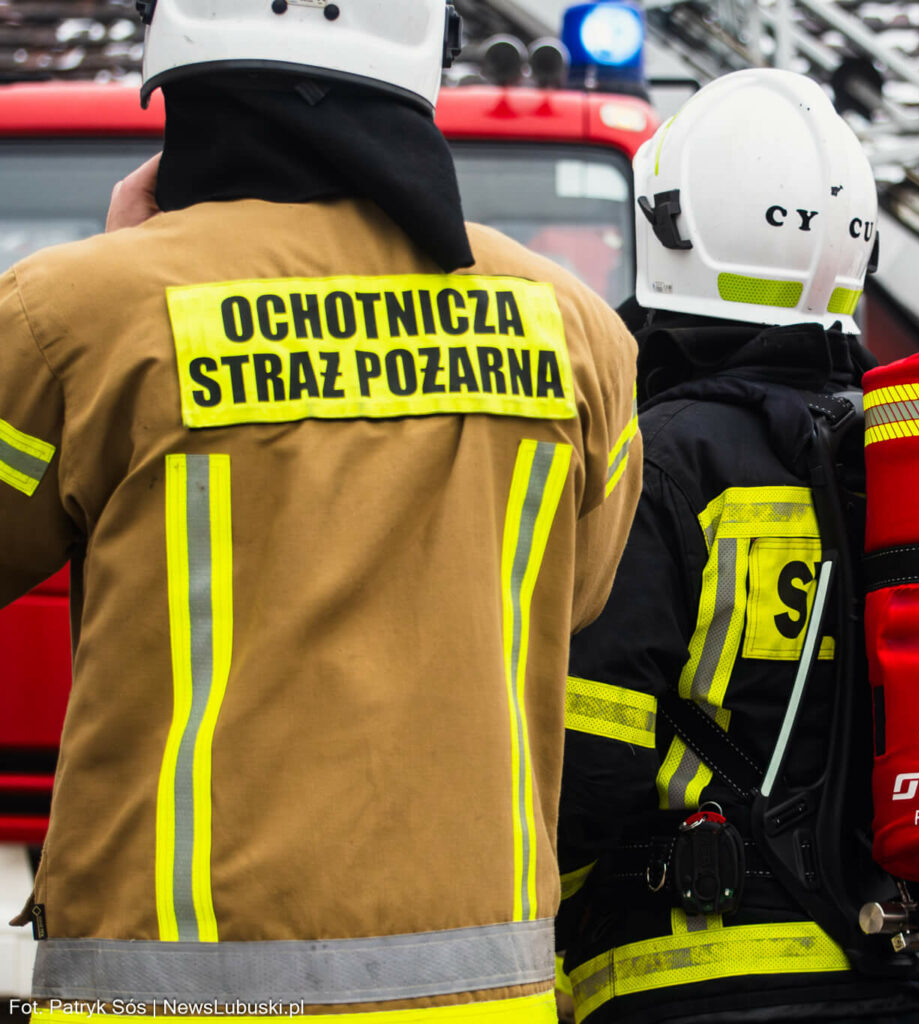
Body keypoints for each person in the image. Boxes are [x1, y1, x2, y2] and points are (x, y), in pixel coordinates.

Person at [0, 0, 640, 1017]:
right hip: (480, 994)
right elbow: (579, 593)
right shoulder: (577, 328)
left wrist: (119, 275)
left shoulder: (74, 314)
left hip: (174, 997)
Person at [554, 68, 919, 1024]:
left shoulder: (660, 461)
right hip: (897, 975)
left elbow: (587, 772)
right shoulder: (904, 464)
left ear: (671, 230)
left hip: (689, 980)